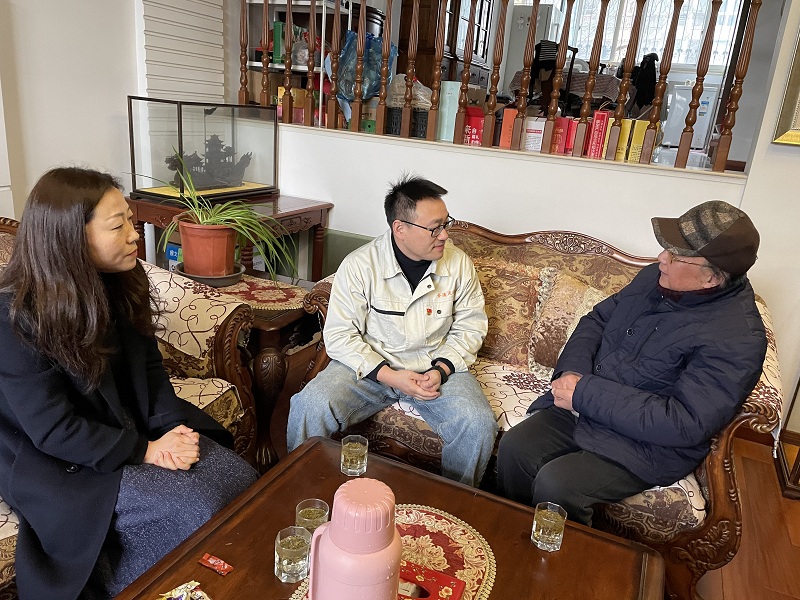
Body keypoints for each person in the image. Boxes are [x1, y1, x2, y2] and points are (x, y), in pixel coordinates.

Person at [0, 167, 257, 599]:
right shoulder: (14, 318)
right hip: (57, 458)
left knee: (240, 478)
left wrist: (171, 429)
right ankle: (143, 585)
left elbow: (150, 371)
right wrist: (146, 450)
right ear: (70, 238)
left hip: (128, 425)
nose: (134, 235)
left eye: (131, 221)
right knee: (195, 507)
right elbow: (54, 430)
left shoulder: (120, 282)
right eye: (117, 225)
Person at [496, 200, 767, 525]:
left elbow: (684, 422)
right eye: (667, 248)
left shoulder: (739, 338)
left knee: (558, 484)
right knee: (515, 448)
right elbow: (597, 320)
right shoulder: (653, 278)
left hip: (645, 443)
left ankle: (555, 556)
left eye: (676, 256)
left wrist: (585, 393)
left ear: (711, 278)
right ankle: (511, 537)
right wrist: (573, 373)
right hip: (584, 408)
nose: (661, 258)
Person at [287, 175, 497, 486]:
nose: (444, 235)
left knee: (478, 423)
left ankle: (455, 502)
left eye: (446, 223)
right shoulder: (360, 265)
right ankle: (298, 487)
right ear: (400, 228)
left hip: (434, 367)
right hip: (370, 368)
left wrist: (441, 370)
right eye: (435, 228)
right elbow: (340, 336)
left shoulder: (458, 264)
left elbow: (471, 326)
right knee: (309, 405)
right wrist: (389, 375)